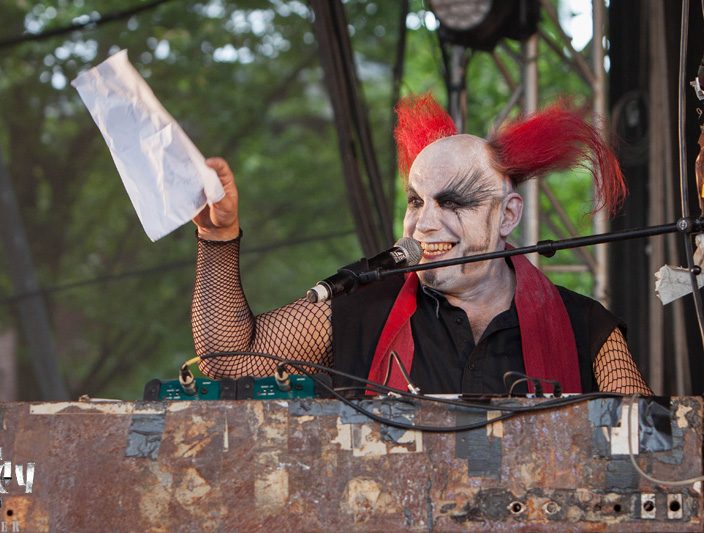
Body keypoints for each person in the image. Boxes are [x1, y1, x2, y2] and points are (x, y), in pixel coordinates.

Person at [190, 94, 652, 395]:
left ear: (508, 215)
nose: (423, 223)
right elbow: (229, 359)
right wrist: (217, 237)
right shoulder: (366, 304)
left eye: (452, 202)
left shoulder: (585, 325)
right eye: (416, 201)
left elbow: (651, 445)